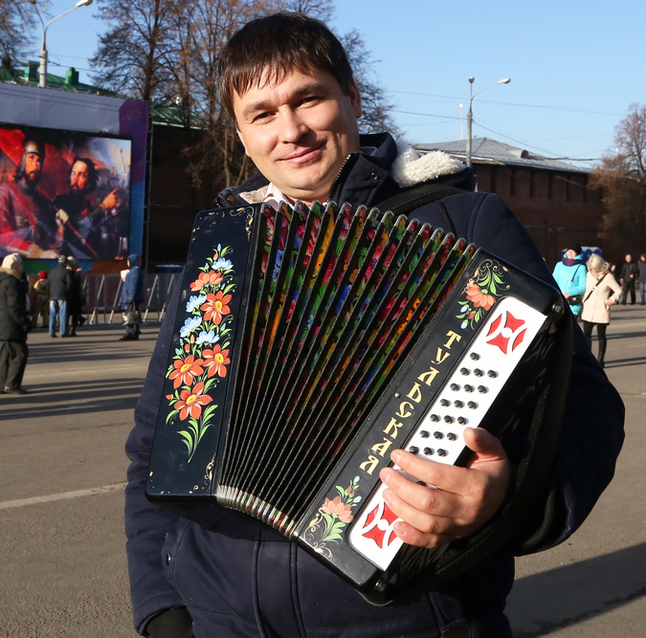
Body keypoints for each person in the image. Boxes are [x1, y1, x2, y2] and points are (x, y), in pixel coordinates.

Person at [124, 14, 625, 638]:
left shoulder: (463, 223)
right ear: (242, 136)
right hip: (222, 617)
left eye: (308, 98)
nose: (291, 131)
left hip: (410, 616)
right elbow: (155, 443)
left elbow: (584, 405)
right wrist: (162, 610)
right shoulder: (222, 257)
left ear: (352, 98)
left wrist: (506, 498)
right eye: (262, 114)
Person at [0, 137, 57, 254]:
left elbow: (48, 241)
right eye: (31, 158)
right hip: (11, 266)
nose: (35, 167)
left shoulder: (42, 200)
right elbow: (4, 238)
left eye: (39, 161)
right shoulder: (5, 191)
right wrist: (37, 253)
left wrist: (61, 230)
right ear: (22, 160)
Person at [0, 253, 31, 395]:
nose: (23, 268)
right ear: (15, 267)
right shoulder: (12, 283)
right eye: (21, 265)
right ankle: (12, 384)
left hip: (0, 324)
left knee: (2, 357)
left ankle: (1, 385)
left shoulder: (1, 281)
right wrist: (25, 324)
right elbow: (14, 307)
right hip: (11, 326)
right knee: (20, 354)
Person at [580, 253, 623, 367]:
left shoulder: (608, 277)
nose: (593, 270)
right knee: (586, 335)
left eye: (595, 268)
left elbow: (618, 290)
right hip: (588, 309)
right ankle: (588, 358)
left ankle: (600, 360)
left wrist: (612, 299)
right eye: (591, 268)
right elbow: (586, 289)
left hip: (602, 310)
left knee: (601, 336)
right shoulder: (588, 275)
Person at [551, 243, 587, 318]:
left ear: (577, 253)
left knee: (570, 328)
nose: (570, 253)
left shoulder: (581, 268)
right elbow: (553, 281)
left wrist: (570, 292)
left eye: (573, 251)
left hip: (572, 304)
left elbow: (583, 286)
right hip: (558, 302)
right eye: (568, 250)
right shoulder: (559, 265)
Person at [120, 254, 144, 341]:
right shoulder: (135, 270)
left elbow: (133, 285)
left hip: (133, 298)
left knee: (131, 315)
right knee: (134, 315)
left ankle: (130, 333)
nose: (127, 263)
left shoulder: (135, 271)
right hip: (133, 297)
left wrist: (131, 297)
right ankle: (134, 332)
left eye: (128, 261)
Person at [47, 255, 72, 338]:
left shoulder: (52, 271)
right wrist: (67, 292)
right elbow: (69, 284)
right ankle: (63, 331)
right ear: (65, 263)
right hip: (63, 296)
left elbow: (48, 284)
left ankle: (51, 331)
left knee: (52, 314)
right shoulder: (66, 272)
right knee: (63, 314)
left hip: (53, 295)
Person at [65, 256, 83, 336]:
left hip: (73, 296)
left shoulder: (68, 272)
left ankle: (71, 329)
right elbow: (73, 283)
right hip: (73, 296)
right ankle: (71, 329)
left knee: (71, 314)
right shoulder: (70, 274)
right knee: (72, 314)